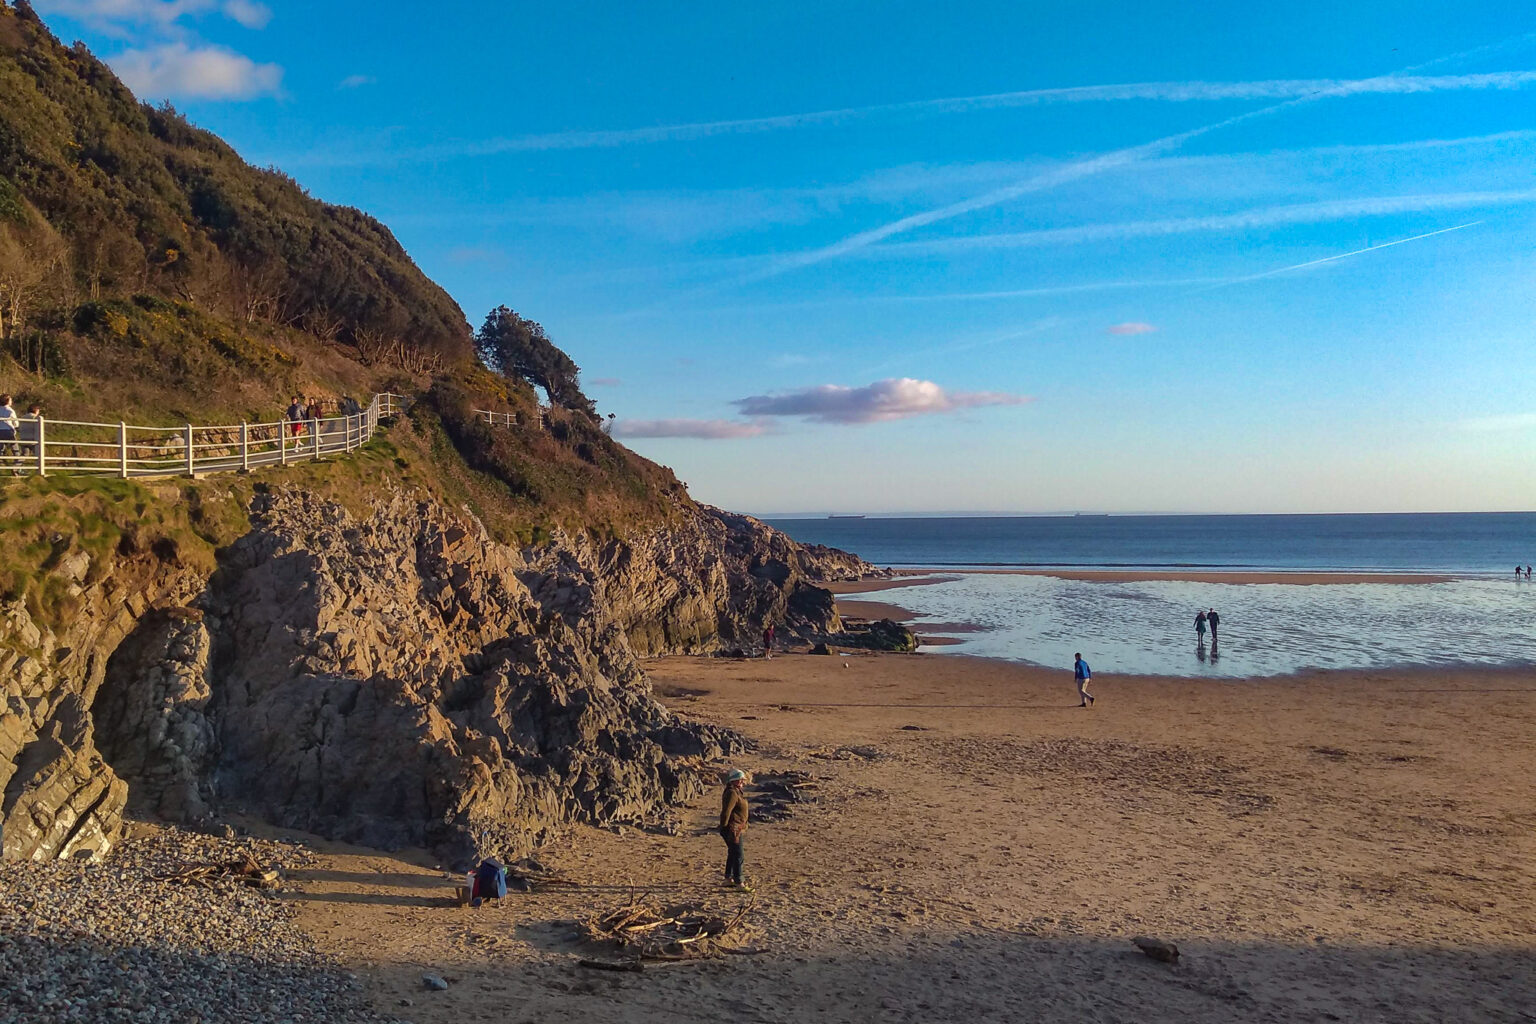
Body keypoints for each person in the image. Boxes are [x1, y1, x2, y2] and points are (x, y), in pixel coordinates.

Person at [719, 768, 750, 890]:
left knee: (733, 853)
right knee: (738, 854)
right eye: (740, 780)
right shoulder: (732, 793)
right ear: (734, 780)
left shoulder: (736, 791)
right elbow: (726, 811)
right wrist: (724, 828)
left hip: (737, 828)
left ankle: (728, 878)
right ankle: (739, 882)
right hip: (733, 829)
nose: (742, 782)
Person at [0, 394, 17, 468]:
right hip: (8, 432)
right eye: (10, 400)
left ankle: (2, 464)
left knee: (0, 449)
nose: (11, 401)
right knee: (15, 450)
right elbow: (16, 423)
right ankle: (16, 467)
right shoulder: (10, 410)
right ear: (7, 401)